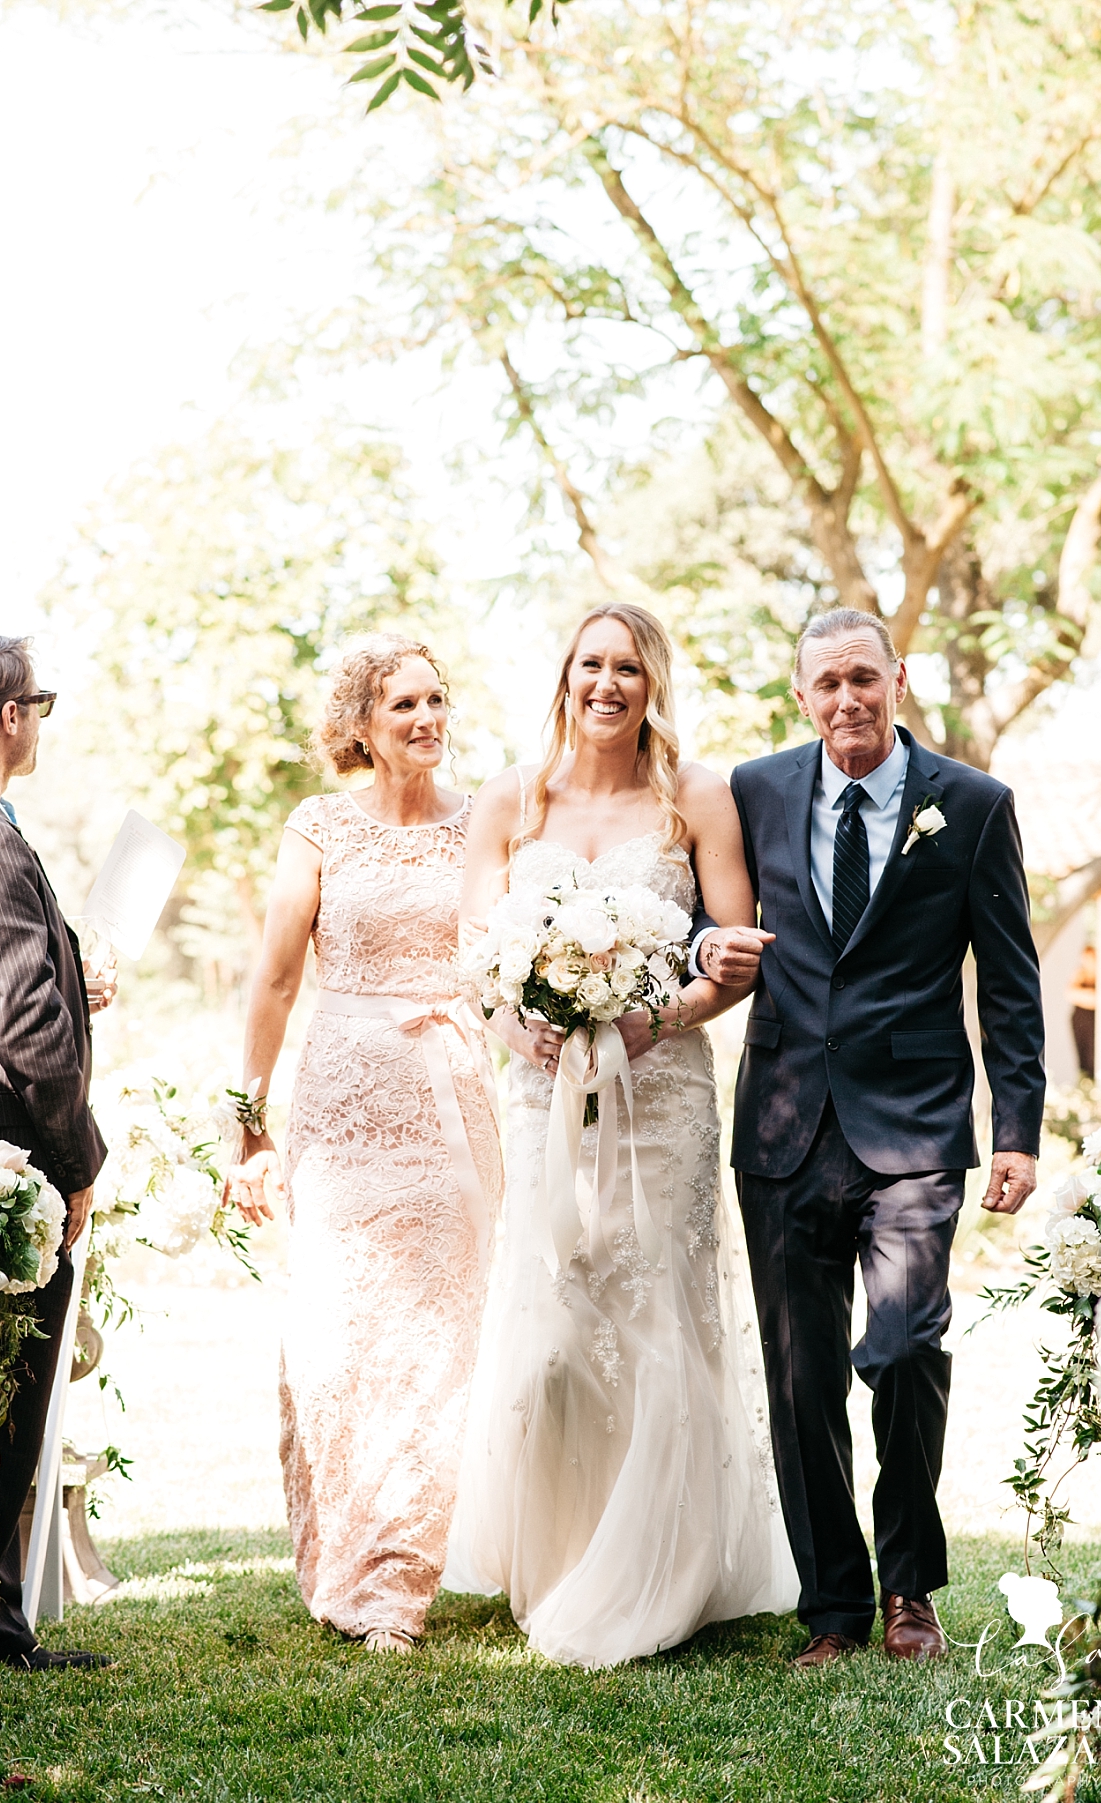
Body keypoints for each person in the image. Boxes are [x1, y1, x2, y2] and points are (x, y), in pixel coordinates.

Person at [447, 603, 799, 1668]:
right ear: (564, 676)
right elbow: (472, 959)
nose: (608, 684)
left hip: (664, 1094)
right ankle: (562, 1553)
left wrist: (663, 1015)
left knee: (658, 1312)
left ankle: (665, 1573)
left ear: (655, 686)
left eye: (629, 669)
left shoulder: (698, 796)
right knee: (556, 1320)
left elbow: (733, 957)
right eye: (591, 665)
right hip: (543, 1091)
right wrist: (520, 1029)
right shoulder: (508, 799)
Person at [695, 607, 1045, 1667]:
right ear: (800, 696)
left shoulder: (973, 805)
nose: (847, 700)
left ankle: (910, 1593)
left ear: (898, 679)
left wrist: (1017, 1129)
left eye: (864, 678)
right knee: (800, 1377)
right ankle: (835, 1612)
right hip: (785, 1128)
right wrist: (708, 940)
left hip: (917, 1132)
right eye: (826, 684)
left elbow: (1014, 984)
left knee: (902, 1352)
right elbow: (702, 914)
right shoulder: (751, 792)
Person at [226, 634, 501, 1655]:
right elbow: (274, 979)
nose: (426, 719)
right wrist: (245, 1118)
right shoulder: (317, 828)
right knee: (335, 1343)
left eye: (437, 699)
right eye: (403, 706)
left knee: (433, 1344)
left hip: (449, 1098)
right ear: (361, 724)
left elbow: (510, 958)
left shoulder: (482, 825)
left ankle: (396, 1587)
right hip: (340, 1101)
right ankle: (337, 1549)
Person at [0, 632, 114, 1671]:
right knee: (5, 1395)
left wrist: (72, 975)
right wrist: (81, 1159)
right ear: (9, 716)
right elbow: (21, 1029)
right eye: (39, 703)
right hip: (6, 1157)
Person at [1067, 943, 1096, 1079]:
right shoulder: (1080, 974)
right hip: (1080, 1020)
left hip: (1093, 1022)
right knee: (1082, 1058)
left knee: (1092, 1057)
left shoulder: (1100, 977)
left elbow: (1098, 1000)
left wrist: (1083, 996)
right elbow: (1070, 993)